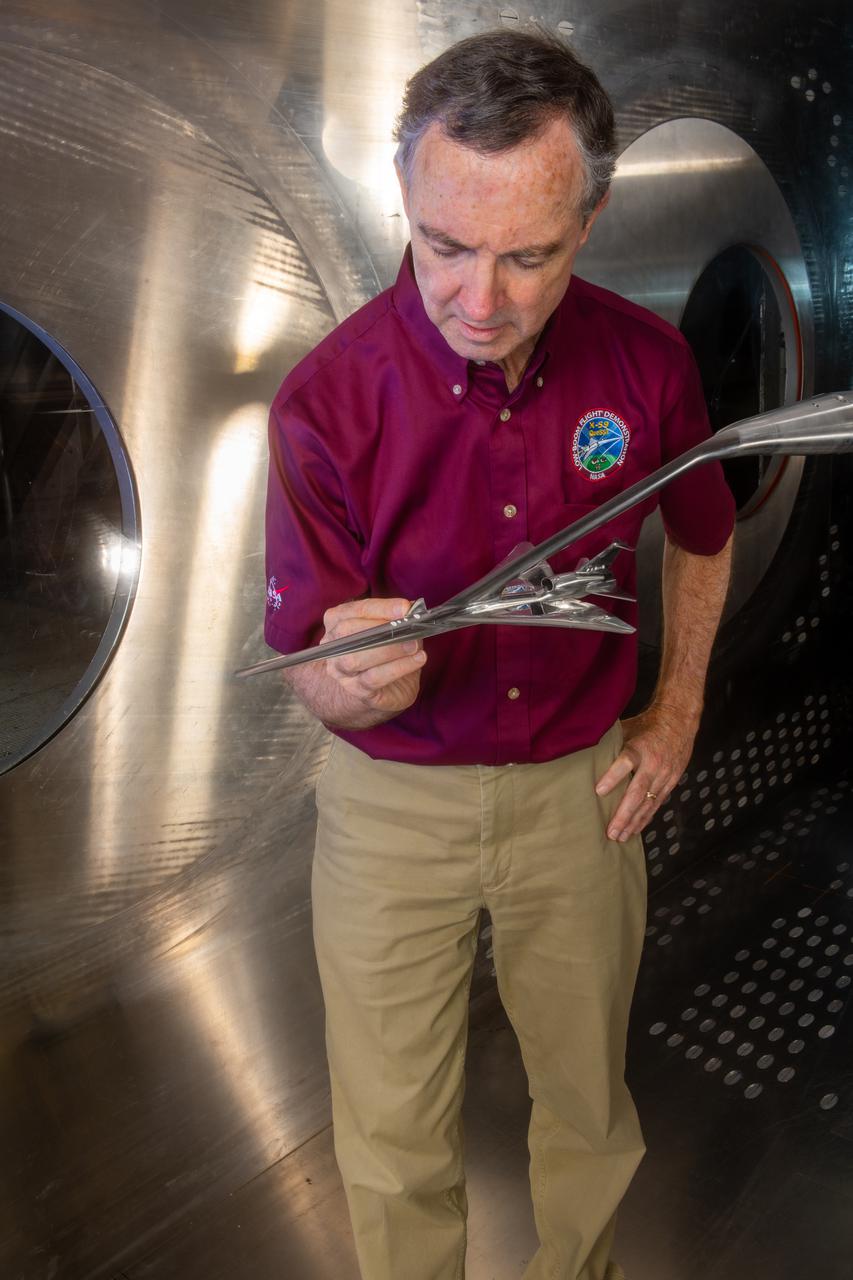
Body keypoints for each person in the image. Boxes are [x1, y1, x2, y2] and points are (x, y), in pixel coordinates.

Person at [263, 28, 735, 1280]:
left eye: (527, 255)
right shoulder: (327, 399)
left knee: (586, 1107)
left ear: (589, 219)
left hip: (580, 795)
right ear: (407, 203)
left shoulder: (647, 366)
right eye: (443, 246)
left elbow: (703, 529)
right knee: (389, 1134)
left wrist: (676, 707)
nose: (480, 299)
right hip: (389, 811)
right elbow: (301, 661)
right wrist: (334, 673)